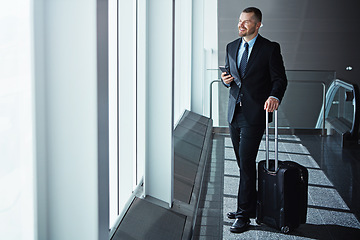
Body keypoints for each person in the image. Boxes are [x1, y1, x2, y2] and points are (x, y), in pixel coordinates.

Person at [220, 7, 287, 233]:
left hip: (255, 115)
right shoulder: (231, 47)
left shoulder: (269, 48)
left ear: (258, 25)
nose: (241, 25)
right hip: (234, 114)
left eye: (246, 22)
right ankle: (250, 206)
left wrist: (274, 95)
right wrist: (224, 80)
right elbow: (231, 77)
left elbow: (280, 79)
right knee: (242, 163)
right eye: (240, 21)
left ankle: (243, 215)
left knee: (246, 163)